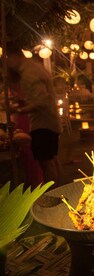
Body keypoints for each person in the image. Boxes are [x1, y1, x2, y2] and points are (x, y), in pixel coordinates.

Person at [6, 41, 62, 186]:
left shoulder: (28, 74)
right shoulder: (35, 67)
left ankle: (54, 197)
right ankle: (60, 190)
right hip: (50, 121)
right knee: (52, 159)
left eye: (8, 59)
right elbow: (40, 97)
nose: (8, 64)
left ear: (14, 56)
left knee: (46, 163)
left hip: (42, 124)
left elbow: (41, 102)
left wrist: (18, 110)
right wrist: (24, 101)